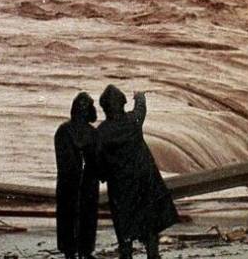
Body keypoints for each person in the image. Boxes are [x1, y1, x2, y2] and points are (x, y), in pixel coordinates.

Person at [96, 86, 179, 259]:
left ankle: (126, 254)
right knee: (149, 225)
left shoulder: (102, 132)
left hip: (120, 187)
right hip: (144, 181)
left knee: (124, 228)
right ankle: (153, 254)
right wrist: (139, 95)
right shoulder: (133, 121)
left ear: (105, 108)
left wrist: (102, 176)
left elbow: (99, 162)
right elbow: (141, 108)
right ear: (122, 104)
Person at [55, 92, 99, 259]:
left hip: (82, 182)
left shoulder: (70, 130)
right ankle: (73, 251)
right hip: (72, 182)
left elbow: (96, 159)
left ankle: (81, 251)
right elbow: (64, 160)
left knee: (83, 216)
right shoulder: (65, 131)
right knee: (71, 215)